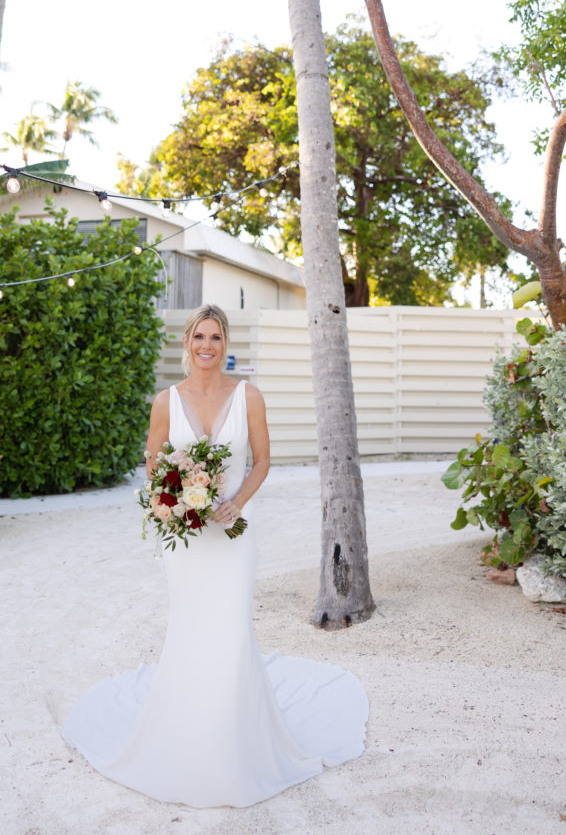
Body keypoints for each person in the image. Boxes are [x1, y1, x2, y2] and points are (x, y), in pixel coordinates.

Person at [62, 304, 369, 808]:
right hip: (182, 540)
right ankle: (185, 733)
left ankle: (233, 745)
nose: (208, 345)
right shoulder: (167, 401)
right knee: (189, 628)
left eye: (216, 337)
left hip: (232, 535)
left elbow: (264, 458)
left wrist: (236, 502)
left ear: (226, 345)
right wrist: (173, 499)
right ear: (187, 343)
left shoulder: (248, 395)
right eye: (199, 336)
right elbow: (152, 460)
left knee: (229, 630)